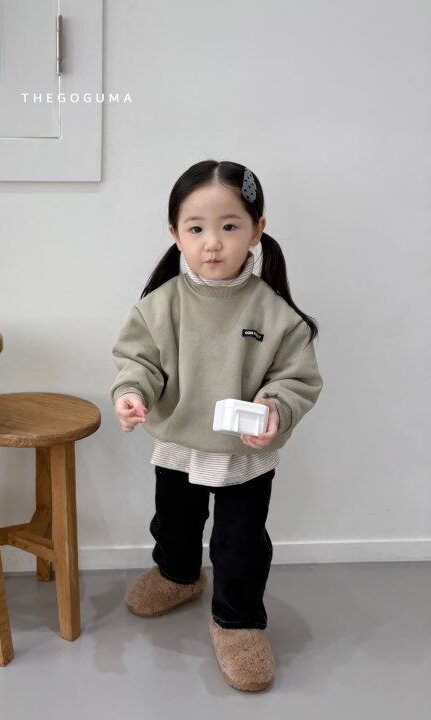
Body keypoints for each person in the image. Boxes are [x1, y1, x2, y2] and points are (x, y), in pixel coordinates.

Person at [110, 160, 323, 692]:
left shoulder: (276, 314)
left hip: (245, 452)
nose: (212, 243)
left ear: (257, 229)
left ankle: (238, 620)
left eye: (229, 226)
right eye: (196, 228)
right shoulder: (161, 305)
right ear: (174, 234)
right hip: (179, 443)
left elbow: (296, 379)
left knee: (241, 543)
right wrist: (132, 394)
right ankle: (177, 576)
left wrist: (274, 408)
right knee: (174, 524)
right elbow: (138, 362)